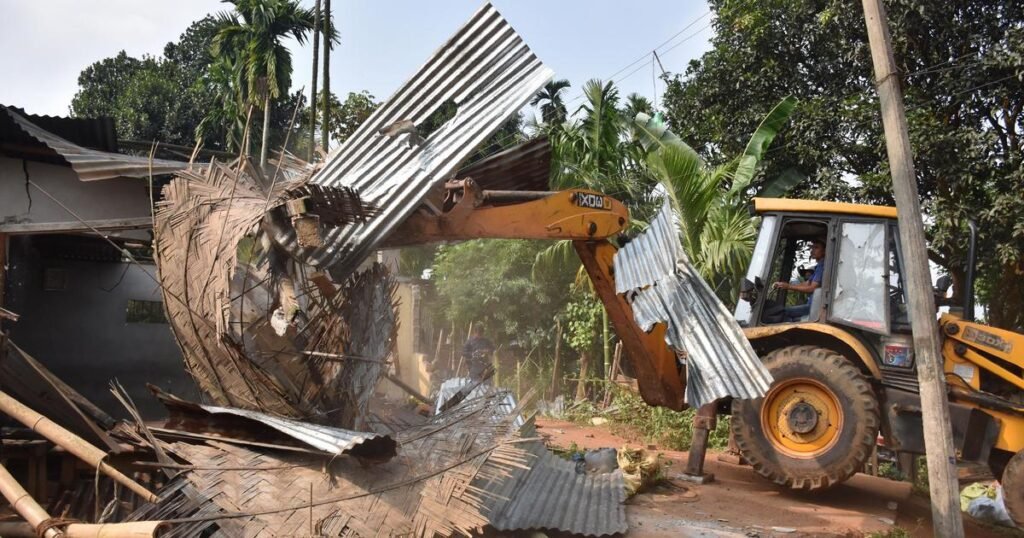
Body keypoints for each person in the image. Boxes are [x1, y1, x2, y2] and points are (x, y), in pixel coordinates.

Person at [775, 238, 826, 322]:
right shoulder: (819, 266)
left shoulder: (823, 266)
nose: (812, 250)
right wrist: (786, 285)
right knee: (791, 317)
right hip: (811, 305)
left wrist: (789, 286)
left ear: (824, 251)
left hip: (813, 307)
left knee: (781, 312)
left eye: (816, 248)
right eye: (812, 248)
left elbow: (812, 288)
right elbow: (807, 283)